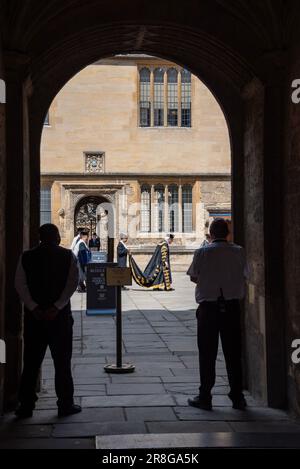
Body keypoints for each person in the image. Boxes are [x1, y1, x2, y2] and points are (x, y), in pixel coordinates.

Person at [14, 224, 81, 419]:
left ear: (39, 238)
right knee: (62, 363)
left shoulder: (26, 257)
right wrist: (57, 306)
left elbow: (20, 284)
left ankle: (26, 406)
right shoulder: (68, 256)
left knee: (31, 363)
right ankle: (65, 404)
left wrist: (33, 306)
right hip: (59, 319)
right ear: (58, 237)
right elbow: (72, 282)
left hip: (35, 318)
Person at [187, 218, 249, 411]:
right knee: (233, 354)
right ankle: (237, 397)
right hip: (231, 308)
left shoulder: (202, 252)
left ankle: (205, 396)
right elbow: (246, 275)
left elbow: (193, 276)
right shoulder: (239, 252)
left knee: (207, 354)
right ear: (227, 234)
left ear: (211, 234)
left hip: (209, 309)